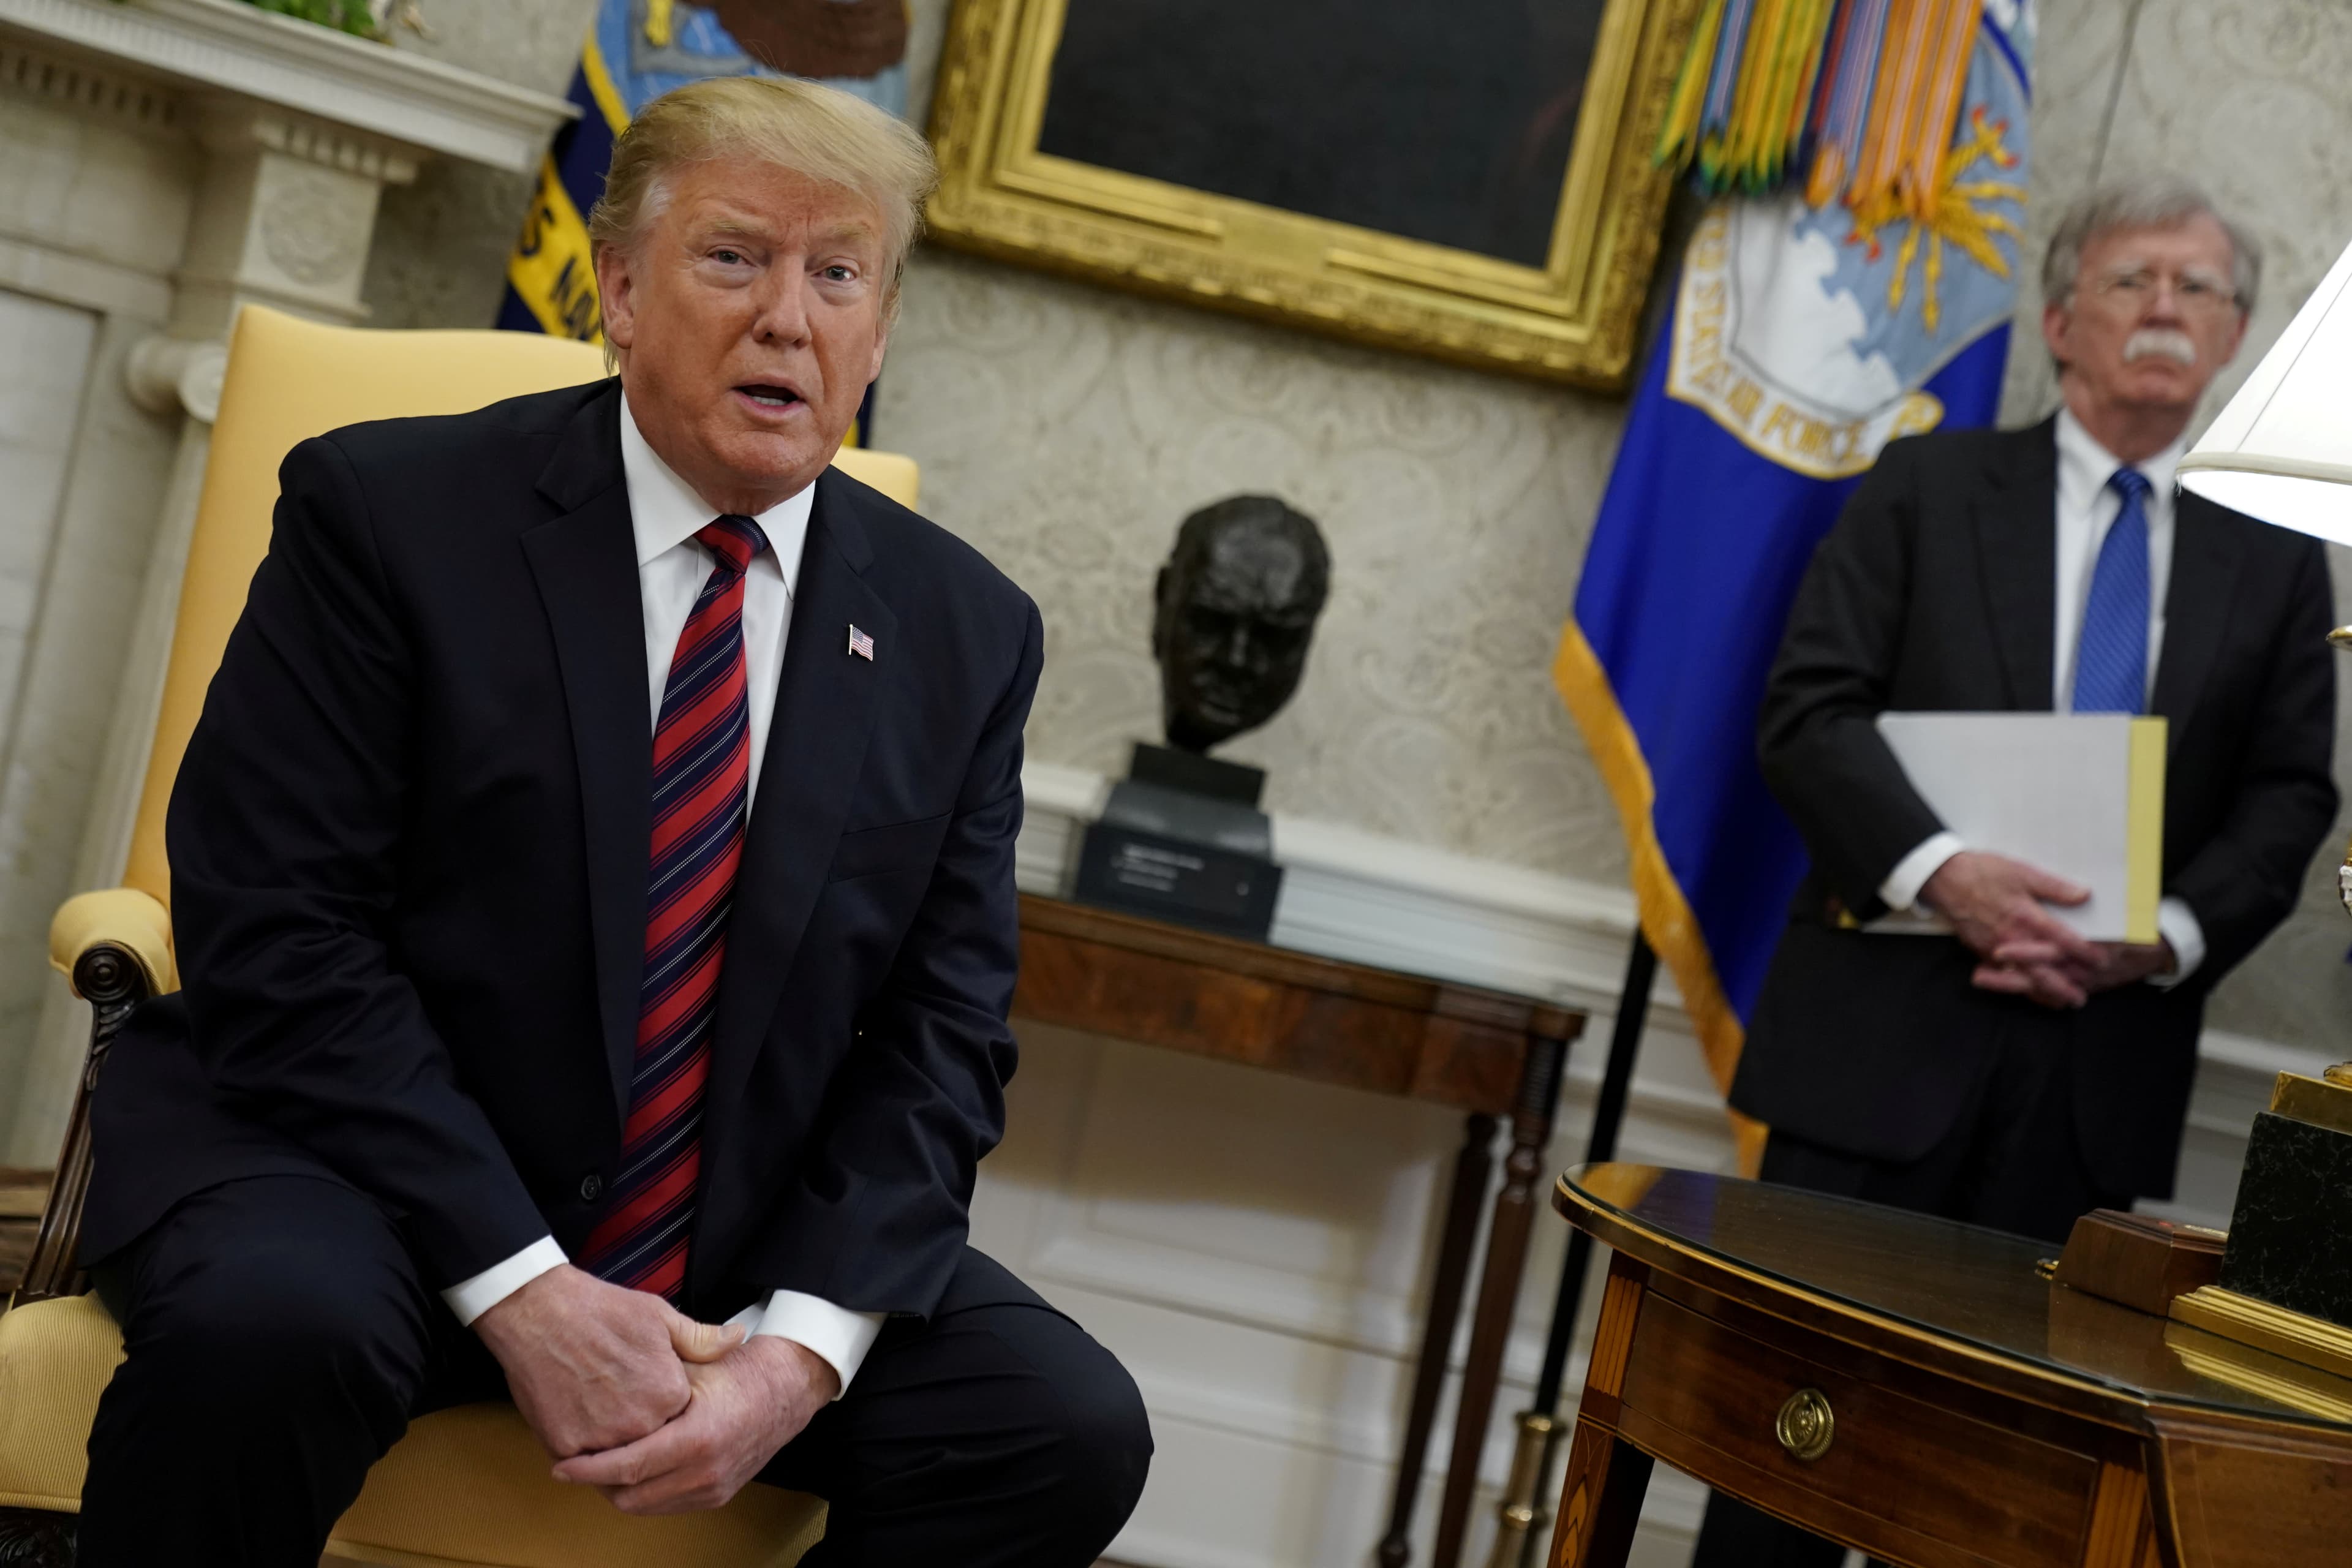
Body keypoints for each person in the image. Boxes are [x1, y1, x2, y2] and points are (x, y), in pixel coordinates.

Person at [72, 74, 1150, 1568]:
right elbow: (281, 929)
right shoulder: (388, 517)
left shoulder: (963, 630)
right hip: (363, 1178)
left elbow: (942, 1036)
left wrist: (792, 1360)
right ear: (620, 290)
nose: (791, 317)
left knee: (1057, 1426)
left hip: (727, 1232)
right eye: (734, 258)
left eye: (839, 274)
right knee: (273, 1333)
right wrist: (522, 1286)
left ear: (879, 332)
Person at [1698, 178, 2339, 1566]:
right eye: (2133, 281)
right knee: (1777, 1447)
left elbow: (2293, 794)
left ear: (2234, 340)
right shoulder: (1927, 486)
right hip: (1874, 1055)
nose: (2168, 308)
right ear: (2059, 319)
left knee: (2007, 1496)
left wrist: (2156, 933)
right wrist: (1946, 874)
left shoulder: (2284, 560)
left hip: (2094, 1081)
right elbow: (1809, 711)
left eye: (2202, 289)